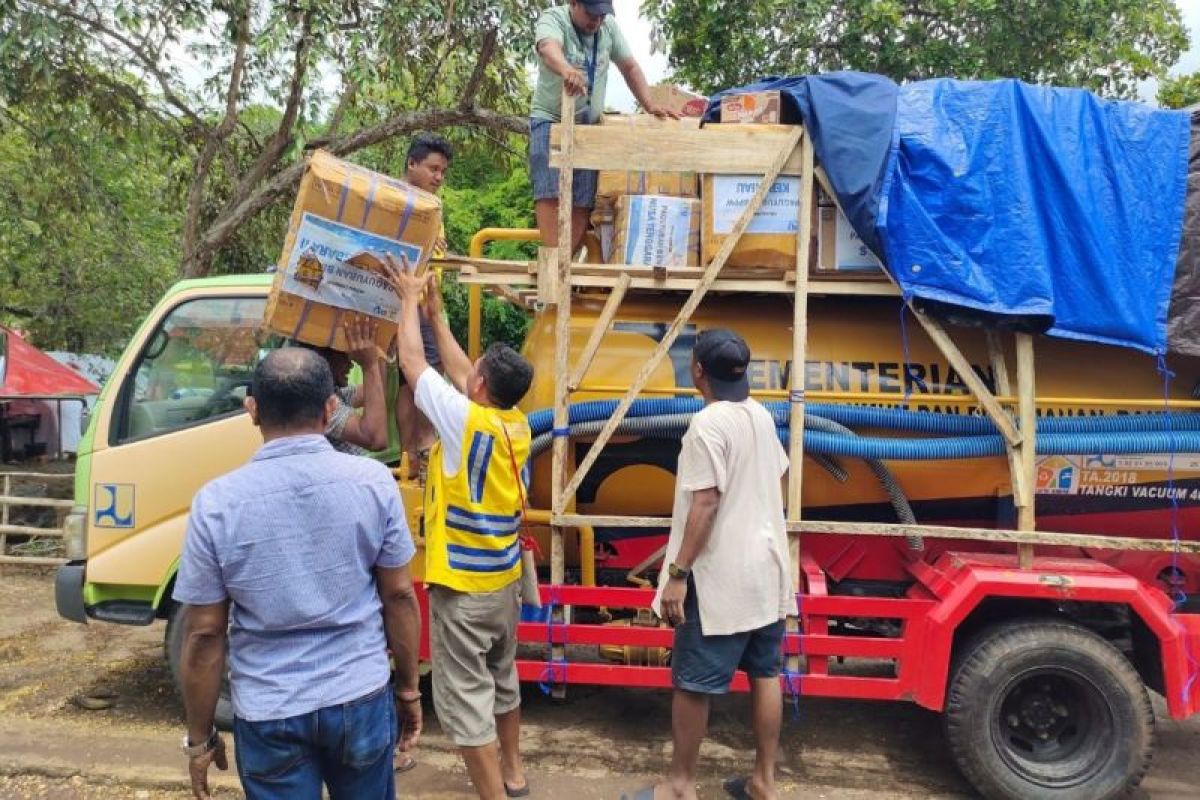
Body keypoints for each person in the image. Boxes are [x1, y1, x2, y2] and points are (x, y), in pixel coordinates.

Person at [173, 347, 423, 800]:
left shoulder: (217, 503)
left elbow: (204, 635)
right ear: (330, 408)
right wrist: (408, 690)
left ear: (252, 410)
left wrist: (200, 737)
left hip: (269, 708)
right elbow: (400, 596)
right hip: (359, 695)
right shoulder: (373, 482)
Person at [384, 255, 535, 800]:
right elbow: (460, 372)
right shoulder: (513, 423)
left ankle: (493, 795)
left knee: (464, 699)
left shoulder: (465, 420)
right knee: (502, 681)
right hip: (503, 583)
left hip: (465, 590)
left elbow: (411, 363)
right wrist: (437, 316)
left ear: (480, 385)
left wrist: (406, 300)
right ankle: (514, 773)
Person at [631, 330, 796, 800]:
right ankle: (764, 781)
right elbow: (775, 480)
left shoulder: (707, 425)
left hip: (720, 575)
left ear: (698, 370)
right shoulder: (761, 416)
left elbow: (705, 504)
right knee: (765, 674)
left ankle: (680, 787)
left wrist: (678, 574)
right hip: (766, 570)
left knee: (693, 684)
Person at [530, 0, 680, 254]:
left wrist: (650, 103)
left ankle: (563, 261)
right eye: (591, 14)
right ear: (573, 3)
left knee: (583, 198)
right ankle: (553, 261)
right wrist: (567, 70)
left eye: (601, 16)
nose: (596, 21)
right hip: (551, 118)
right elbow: (548, 47)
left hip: (589, 126)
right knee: (550, 191)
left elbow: (629, 66)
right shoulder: (554, 19)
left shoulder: (608, 28)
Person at [396, 133, 453, 480]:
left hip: (424, 305)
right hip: (413, 305)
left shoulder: (430, 205)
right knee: (427, 379)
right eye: (433, 168)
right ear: (411, 164)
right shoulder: (405, 204)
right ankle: (421, 451)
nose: (438, 177)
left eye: (443, 171)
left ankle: (412, 457)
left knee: (409, 383)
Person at [298, 317, 389, 456]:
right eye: (344, 357)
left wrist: (381, 352)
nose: (351, 364)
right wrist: (369, 365)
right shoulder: (319, 403)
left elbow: (376, 390)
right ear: (323, 357)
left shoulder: (335, 394)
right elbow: (376, 439)